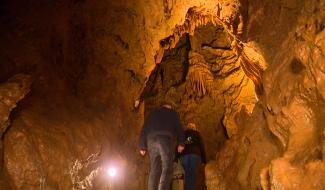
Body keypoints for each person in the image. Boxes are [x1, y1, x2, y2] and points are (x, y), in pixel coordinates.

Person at [139, 102, 185, 190]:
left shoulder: (152, 114)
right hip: (164, 139)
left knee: (154, 169)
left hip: (151, 141)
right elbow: (179, 128)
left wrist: (142, 146)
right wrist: (181, 143)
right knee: (167, 168)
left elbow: (144, 129)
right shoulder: (172, 113)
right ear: (169, 107)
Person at [178, 123, 206, 190]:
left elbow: (178, 147)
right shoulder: (197, 133)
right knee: (193, 175)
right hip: (195, 155)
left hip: (184, 156)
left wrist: (177, 158)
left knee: (188, 174)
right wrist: (204, 160)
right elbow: (202, 146)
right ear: (194, 128)